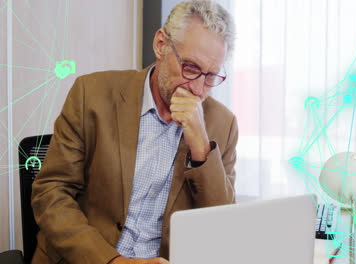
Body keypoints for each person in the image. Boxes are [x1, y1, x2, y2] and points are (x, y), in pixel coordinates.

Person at [31, 1, 237, 263]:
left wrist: (201, 149)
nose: (198, 88)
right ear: (161, 45)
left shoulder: (223, 124)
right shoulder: (91, 94)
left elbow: (223, 230)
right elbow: (51, 193)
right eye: (190, 68)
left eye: (210, 76)